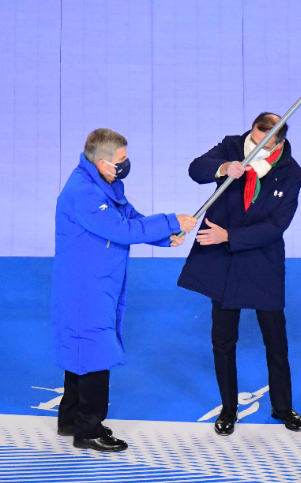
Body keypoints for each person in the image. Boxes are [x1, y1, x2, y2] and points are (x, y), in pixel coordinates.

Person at [52, 129, 197, 452]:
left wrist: (165, 235)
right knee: (94, 350)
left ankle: (70, 418)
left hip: (97, 279)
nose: (126, 164)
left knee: (81, 347)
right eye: (122, 160)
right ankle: (88, 429)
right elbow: (118, 229)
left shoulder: (106, 182)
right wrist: (172, 220)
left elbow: (130, 217)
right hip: (85, 285)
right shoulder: (83, 192)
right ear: (103, 162)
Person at [177, 113, 301, 435]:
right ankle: (229, 408)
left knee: (275, 339)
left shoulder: (291, 172)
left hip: (261, 258)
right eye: (253, 137)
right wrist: (222, 168)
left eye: (264, 143)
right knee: (223, 339)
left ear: (279, 141)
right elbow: (196, 169)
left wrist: (230, 237)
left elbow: (277, 225)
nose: (255, 145)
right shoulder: (232, 146)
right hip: (225, 262)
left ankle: (282, 406)